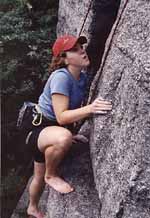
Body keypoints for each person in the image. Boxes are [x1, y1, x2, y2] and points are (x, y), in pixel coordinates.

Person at [26, 34, 112, 218]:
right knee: (62, 140)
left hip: (51, 130)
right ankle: (52, 175)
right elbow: (62, 116)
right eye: (74, 49)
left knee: (37, 175)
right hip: (40, 130)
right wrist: (91, 108)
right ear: (63, 59)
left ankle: (32, 207)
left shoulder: (80, 77)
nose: (82, 50)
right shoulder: (61, 78)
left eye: (81, 46)